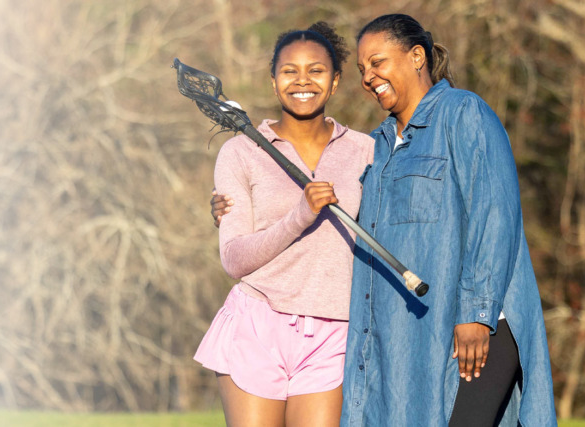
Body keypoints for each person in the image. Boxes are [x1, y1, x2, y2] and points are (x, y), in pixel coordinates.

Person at [212, 13, 558, 427]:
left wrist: (477, 315)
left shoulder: (463, 113)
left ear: (416, 57)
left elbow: (495, 216)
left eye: (378, 62)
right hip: (420, 340)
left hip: (477, 331)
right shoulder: (376, 146)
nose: (369, 76)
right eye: (362, 69)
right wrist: (229, 209)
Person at [194, 22, 374, 427]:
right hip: (257, 323)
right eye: (289, 70)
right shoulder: (240, 152)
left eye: (316, 70)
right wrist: (301, 215)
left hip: (334, 331)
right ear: (274, 82)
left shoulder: (367, 151)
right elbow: (234, 259)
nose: (302, 80)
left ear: (335, 82)